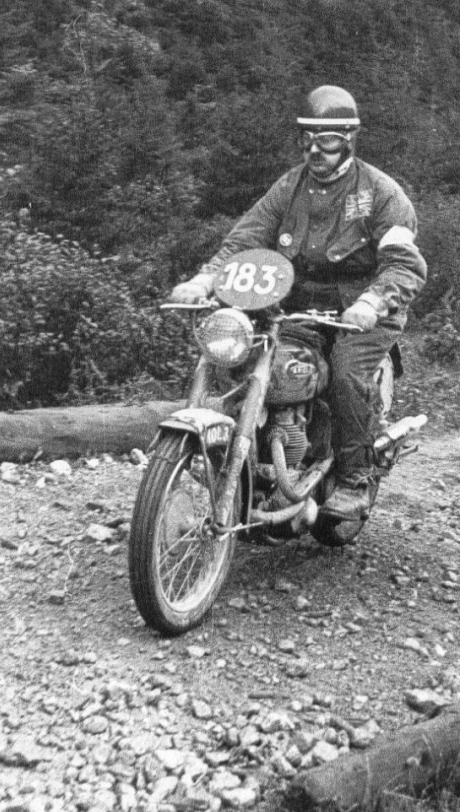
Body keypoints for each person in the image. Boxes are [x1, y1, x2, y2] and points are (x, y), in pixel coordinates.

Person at [171, 85, 427, 521]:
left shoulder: (382, 193)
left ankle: (355, 478)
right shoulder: (289, 187)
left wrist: (373, 301)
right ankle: (248, 457)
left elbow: (404, 265)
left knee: (346, 373)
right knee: (244, 357)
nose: (314, 150)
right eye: (306, 139)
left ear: (349, 139)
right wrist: (205, 278)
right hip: (296, 307)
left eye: (326, 140)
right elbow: (246, 238)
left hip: (362, 313)